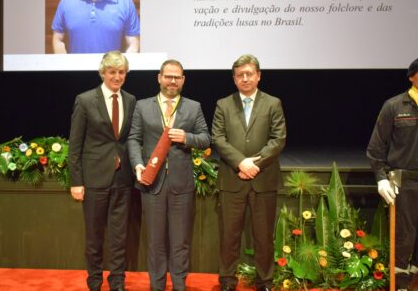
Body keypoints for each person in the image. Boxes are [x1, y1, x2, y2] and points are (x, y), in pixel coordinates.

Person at [127, 59, 211, 291]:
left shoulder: (193, 107)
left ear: (183, 80)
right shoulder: (143, 106)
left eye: (177, 77)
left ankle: (179, 286)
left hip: (181, 184)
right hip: (151, 183)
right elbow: (134, 138)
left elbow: (205, 137)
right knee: (155, 242)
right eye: (168, 76)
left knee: (180, 242)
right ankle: (157, 286)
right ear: (159, 78)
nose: (172, 81)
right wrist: (137, 165)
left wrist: (187, 137)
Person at [212, 54, 286, 291]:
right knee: (229, 237)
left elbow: (278, 139)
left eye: (249, 74)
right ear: (234, 79)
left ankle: (264, 282)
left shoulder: (273, 103)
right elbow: (218, 138)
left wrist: (256, 164)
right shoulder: (223, 104)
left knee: (263, 237)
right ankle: (227, 281)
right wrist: (240, 163)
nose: (245, 78)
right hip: (232, 179)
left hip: (263, 180)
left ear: (258, 76)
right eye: (240, 75)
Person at [367, 55, 418, 291]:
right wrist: (381, 179)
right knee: (403, 243)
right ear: (412, 77)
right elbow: (376, 148)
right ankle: (399, 287)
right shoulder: (394, 106)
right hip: (403, 184)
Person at [68, 51, 136, 291]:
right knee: (95, 237)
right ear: (103, 73)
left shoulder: (131, 100)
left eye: (121, 72)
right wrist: (76, 182)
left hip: (122, 178)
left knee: (120, 237)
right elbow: (75, 144)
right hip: (94, 178)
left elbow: (129, 140)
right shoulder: (85, 100)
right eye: (112, 72)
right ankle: (94, 282)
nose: (117, 77)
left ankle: (117, 281)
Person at [51, 0, 140, 54]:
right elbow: (57, 38)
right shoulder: (67, 1)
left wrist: (121, 71)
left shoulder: (125, 2)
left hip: (111, 74)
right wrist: (65, 68)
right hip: (75, 74)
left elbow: (133, 44)